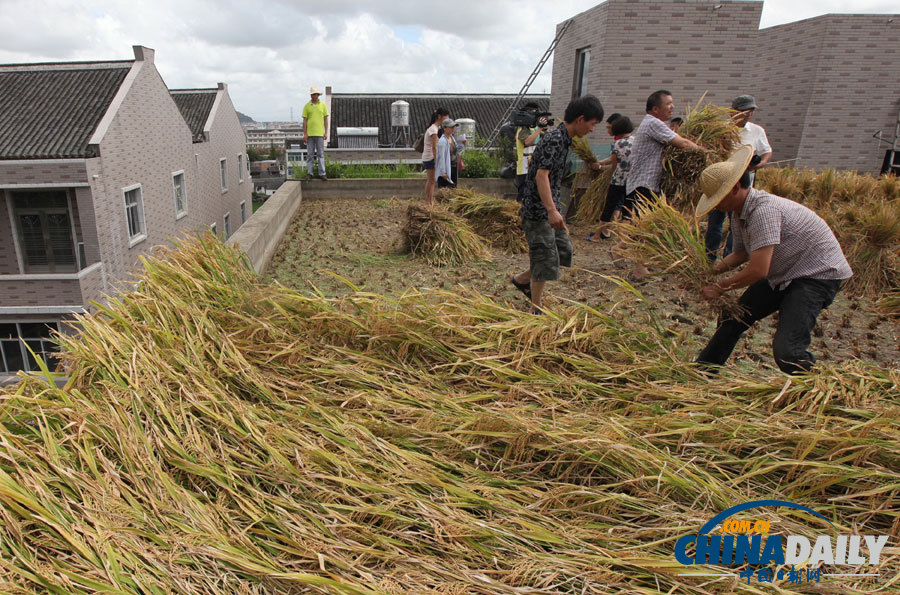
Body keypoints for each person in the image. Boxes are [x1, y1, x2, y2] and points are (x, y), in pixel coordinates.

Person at [694, 145, 852, 375]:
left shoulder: (763, 212)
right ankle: (703, 371)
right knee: (733, 318)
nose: (716, 204)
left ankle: (824, 391)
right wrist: (710, 272)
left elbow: (758, 270)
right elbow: (740, 254)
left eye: (718, 197)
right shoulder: (740, 213)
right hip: (787, 271)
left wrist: (718, 288)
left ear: (736, 188)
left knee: (788, 352)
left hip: (816, 275)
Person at [509, 95, 604, 314]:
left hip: (549, 207)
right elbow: (542, 175)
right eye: (592, 124)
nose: (592, 129)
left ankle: (522, 279)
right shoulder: (554, 139)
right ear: (580, 119)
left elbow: (539, 166)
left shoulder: (562, 139)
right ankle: (536, 307)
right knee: (544, 256)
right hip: (538, 211)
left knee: (563, 251)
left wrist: (555, 208)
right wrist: (551, 210)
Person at [619, 90, 703, 278]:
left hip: (644, 183)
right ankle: (638, 268)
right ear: (655, 109)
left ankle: (621, 250)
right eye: (668, 104)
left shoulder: (652, 123)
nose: (672, 107)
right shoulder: (653, 123)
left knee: (642, 224)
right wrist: (702, 151)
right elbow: (680, 143)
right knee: (643, 226)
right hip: (644, 183)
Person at [705, 95, 773, 261]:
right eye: (744, 110)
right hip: (720, 180)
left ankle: (730, 258)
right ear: (733, 111)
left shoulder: (757, 131)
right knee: (715, 221)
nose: (748, 114)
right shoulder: (720, 129)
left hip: (744, 181)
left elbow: (766, 151)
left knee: (737, 222)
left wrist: (760, 163)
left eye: (751, 111)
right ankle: (709, 256)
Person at [588, 116, 634, 241]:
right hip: (631, 182)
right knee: (628, 210)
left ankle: (597, 235)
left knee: (609, 208)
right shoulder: (636, 142)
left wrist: (600, 168)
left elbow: (614, 165)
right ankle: (622, 240)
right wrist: (600, 163)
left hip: (617, 181)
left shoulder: (618, 143)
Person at [515, 102, 545, 202]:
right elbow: (528, 141)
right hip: (524, 169)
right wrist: (539, 129)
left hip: (534, 168)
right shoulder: (522, 130)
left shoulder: (535, 129)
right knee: (523, 197)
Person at [422, 107, 449, 205]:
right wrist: (437, 159)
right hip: (430, 157)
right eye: (445, 118)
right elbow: (434, 147)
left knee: (432, 180)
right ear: (439, 117)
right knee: (431, 180)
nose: (447, 120)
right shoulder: (433, 130)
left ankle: (430, 201)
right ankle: (428, 201)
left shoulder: (437, 128)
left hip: (430, 157)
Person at [302, 87, 329, 180]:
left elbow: (325, 119)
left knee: (320, 154)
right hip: (310, 134)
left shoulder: (323, 105)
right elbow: (305, 121)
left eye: (317, 94)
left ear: (318, 95)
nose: (315, 96)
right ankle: (310, 173)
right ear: (311, 95)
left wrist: (326, 132)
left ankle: (322, 173)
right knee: (310, 155)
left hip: (320, 134)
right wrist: (305, 134)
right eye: (314, 94)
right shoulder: (306, 106)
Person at [435, 119, 459, 188]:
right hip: (446, 169)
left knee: (453, 189)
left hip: (453, 166)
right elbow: (441, 157)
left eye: (453, 127)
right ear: (444, 128)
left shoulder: (452, 138)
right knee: (445, 190)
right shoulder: (442, 141)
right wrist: (443, 172)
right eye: (451, 127)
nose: (453, 129)